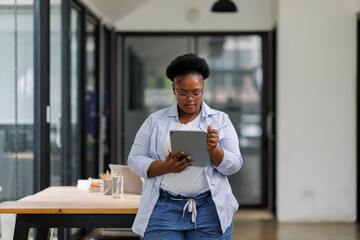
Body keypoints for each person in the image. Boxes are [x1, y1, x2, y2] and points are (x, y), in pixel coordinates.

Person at [128, 53, 243, 240]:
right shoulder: (155, 121)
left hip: (209, 209)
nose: (190, 99)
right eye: (183, 93)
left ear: (203, 88)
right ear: (174, 90)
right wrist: (167, 167)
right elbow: (134, 160)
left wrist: (215, 149)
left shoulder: (220, 121)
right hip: (163, 208)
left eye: (196, 92)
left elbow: (235, 165)